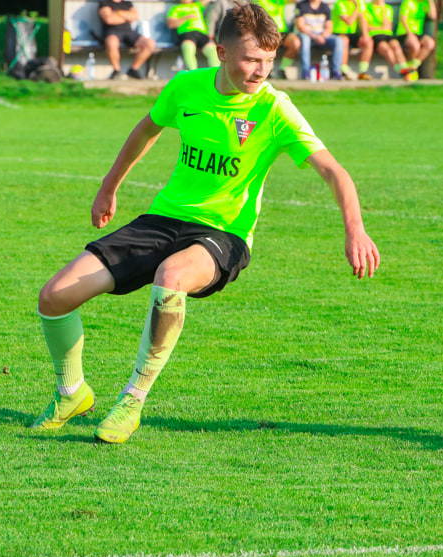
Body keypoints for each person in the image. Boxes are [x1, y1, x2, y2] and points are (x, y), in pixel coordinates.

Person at [30, 2, 380, 444]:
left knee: (171, 276)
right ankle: (71, 393)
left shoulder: (275, 109)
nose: (261, 71)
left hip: (223, 234)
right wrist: (109, 185)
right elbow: (146, 131)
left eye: (270, 61)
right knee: (54, 296)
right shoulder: (186, 88)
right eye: (252, 59)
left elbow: (334, 171)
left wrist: (355, 228)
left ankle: (133, 398)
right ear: (221, 53)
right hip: (163, 219)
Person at [98, 0, 156, 79]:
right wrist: (126, 17)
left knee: (150, 43)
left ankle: (133, 69)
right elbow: (109, 20)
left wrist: (117, 13)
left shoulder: (127, 3)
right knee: (112, 42)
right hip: (112, 31)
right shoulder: (104, 3)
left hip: (128, 32)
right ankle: (116, 70)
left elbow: (135, 16)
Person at [295, 0, 343, 80]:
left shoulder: (325, 7)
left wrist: (322, 36)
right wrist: (314, 36)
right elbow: (300, 26)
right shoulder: (301, 5)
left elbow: (329, 27)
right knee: (305, 39)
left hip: (321, 36)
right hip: (308, 35)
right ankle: (306, 72)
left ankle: (335, 72)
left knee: (338, 40)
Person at [363, 0, 411, 80]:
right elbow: (366, 26)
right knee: (386, 49)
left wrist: (382, 10)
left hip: (387, 33)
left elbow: (388, 25)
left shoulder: (388, 8)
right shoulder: (367, 8)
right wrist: (380, 27)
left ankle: (404, 68)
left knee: (395, 46)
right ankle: (398, 69)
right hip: (375, 35)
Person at [167, 0, 220, 70]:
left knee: (213, 51)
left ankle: (215, 76)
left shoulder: (197, 5)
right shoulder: (176, 8)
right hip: (187, 33)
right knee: (188, 48)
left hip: (201, 34)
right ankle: (193, 75)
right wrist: (186, 17)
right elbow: (171, 24)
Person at [256, 0, 302, 79]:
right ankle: (269, 70)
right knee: (271, 40)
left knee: (295, 43)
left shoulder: (280, 1)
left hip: (282, 31)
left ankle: (282, 69)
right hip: (265, 31)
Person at [395, 0, 436, 81]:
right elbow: (403, 19)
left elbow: (433, 16)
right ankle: (413, 72)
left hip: (418, 32)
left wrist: (430, 2)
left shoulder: (425, 3)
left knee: (430, 43)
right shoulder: (408, 2)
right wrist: (410, 34)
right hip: (404, 32)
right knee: (415, 45)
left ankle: (413, 67)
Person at [332, 0, 373, 80]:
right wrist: (357, 7)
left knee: (368, 42)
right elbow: (349, 22)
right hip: (339, 33)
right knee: (344, 40)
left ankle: (363, 71)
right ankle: (343, 71)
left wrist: (365, 35)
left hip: (352, 33)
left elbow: (362, 19)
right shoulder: (340, 3)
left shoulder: (359, 2)